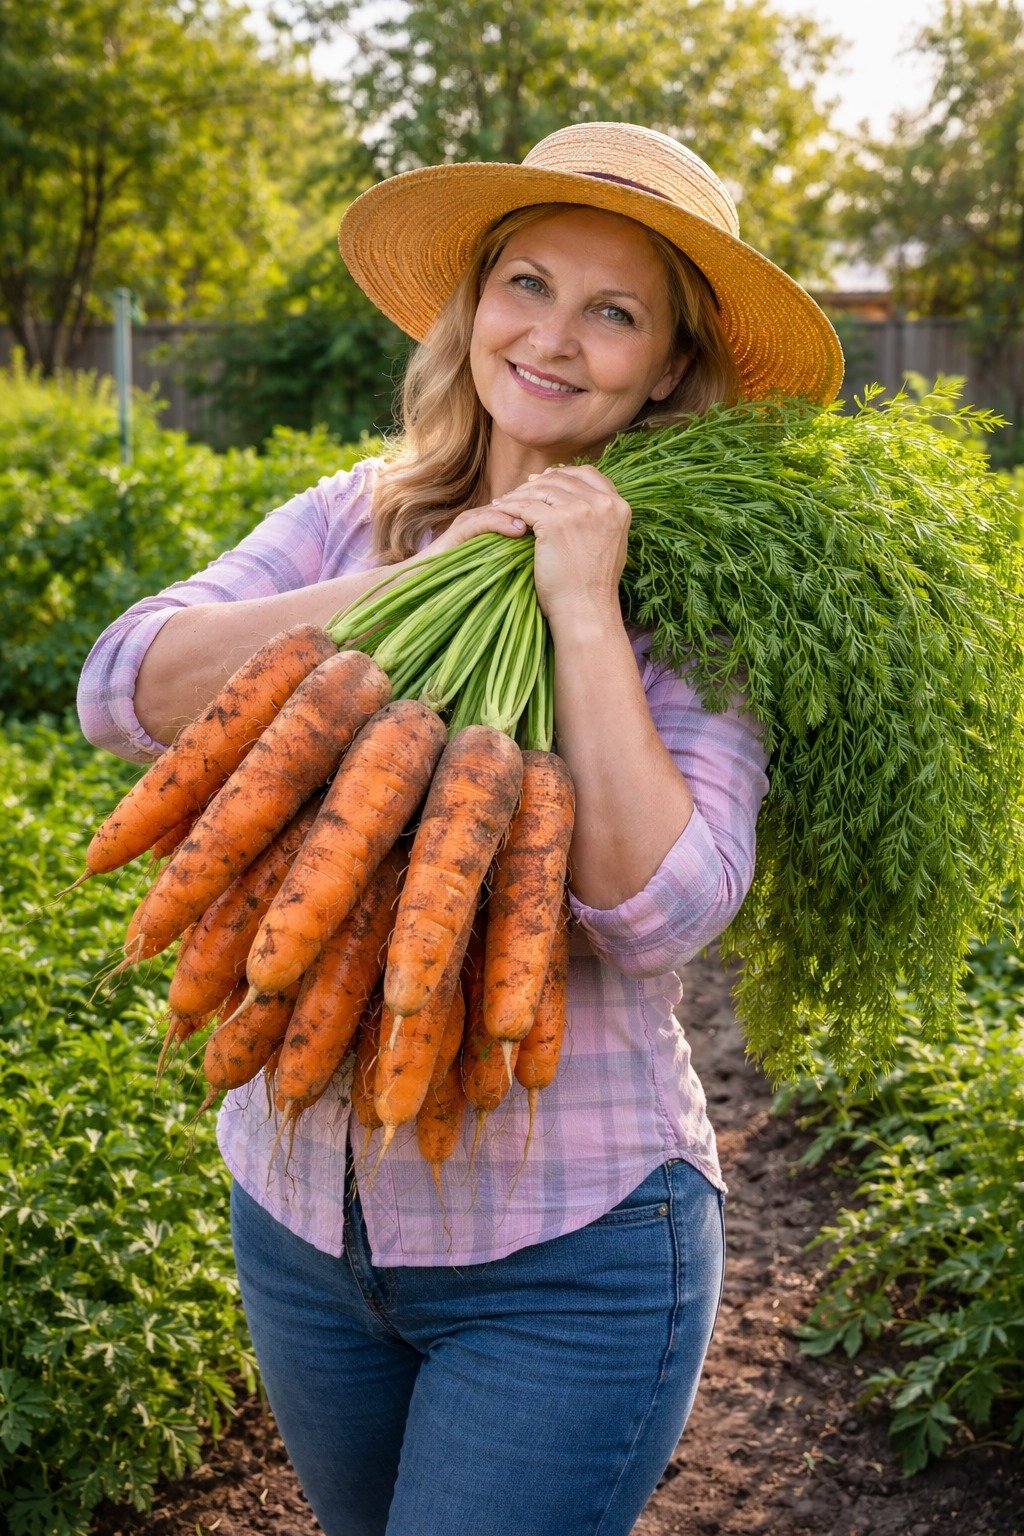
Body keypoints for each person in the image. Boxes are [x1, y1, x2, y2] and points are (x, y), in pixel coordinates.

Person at [78, 122, 843, 1536]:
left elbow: (661, 907)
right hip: (299, 1221)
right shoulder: (355, 517)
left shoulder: (715, 603)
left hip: (570, 1256)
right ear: (474, 303)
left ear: (671, 363)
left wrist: (577, 598)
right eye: (528, 284)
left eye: (614, 311)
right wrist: (416, 581)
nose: (553, 338)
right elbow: (125, 684)